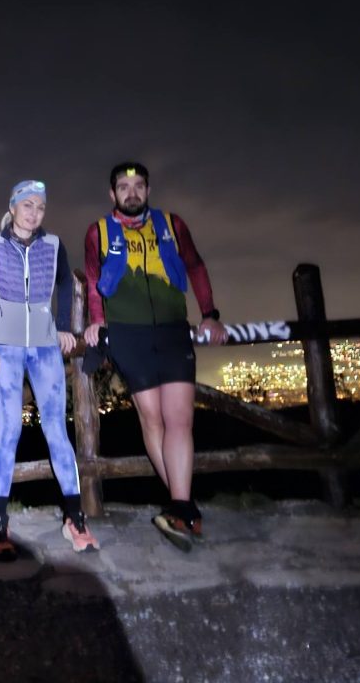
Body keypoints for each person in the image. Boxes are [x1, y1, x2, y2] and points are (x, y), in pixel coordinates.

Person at [83, 162, 226, 551]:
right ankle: (184, 507)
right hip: (127, 334)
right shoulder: (98, 232)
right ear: (112, 194)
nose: (131, 193)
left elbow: (195, 266)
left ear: (148, 190)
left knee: (180, 419)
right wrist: (97, 320)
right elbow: (94, 279)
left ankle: (181, 507)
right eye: (123, 187)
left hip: (173, 330)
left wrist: (210, 314)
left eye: (138, 186)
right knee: (152, 419)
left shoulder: (172, 225)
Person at [0, 180, 100, 561]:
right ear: (13, 207)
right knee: (9, 431)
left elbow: (64, 283)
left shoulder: (54, 245)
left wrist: (63, 326)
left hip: (45, 348)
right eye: (27, 205)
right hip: (5, 349)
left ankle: (75, 518)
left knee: (57, 431)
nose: (34, 213)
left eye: (40, 207)